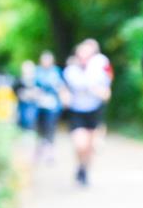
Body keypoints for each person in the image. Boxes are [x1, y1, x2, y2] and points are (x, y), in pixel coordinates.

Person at [63, 39, 112, 186]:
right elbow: (64, 91)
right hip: (77, 111)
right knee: (80, 144)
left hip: (94, 110)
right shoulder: (70, 72)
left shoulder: (99, 70)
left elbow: (106, 94)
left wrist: (94, 88)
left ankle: (84, 170)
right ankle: (80, 165)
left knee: (90, 146)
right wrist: (65, 98)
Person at [34, 50, 69, 165]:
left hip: (53, 105)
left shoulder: (56, 72)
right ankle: (40, 149)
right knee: (40, 128)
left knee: (51, 127)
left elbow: (62, 86)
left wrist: (64, 98)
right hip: (39, 105)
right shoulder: (37, 71)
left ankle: (50, 151)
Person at [13, 60, 40, 131]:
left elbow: (40, 91)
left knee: (30, 121)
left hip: (32, 105)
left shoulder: (36, 80)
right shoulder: (18, 80)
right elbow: (15, 91)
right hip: (21, 105)